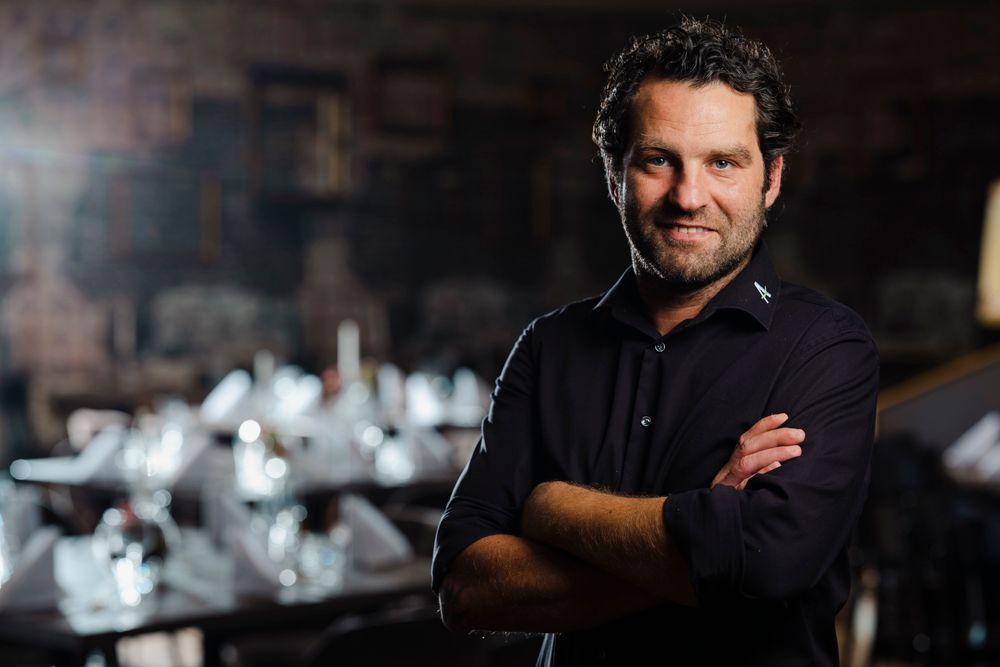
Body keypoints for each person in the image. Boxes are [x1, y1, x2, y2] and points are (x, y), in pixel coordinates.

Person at [433, 17, 878, 666]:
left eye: (723, 162)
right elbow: (465, 587)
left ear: (771, 178)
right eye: (657, 160)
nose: (688, 196)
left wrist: (553, 508)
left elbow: (767, 564)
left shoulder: (827, 347)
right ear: (614, 175)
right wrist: (702, 537)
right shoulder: (548, 346)